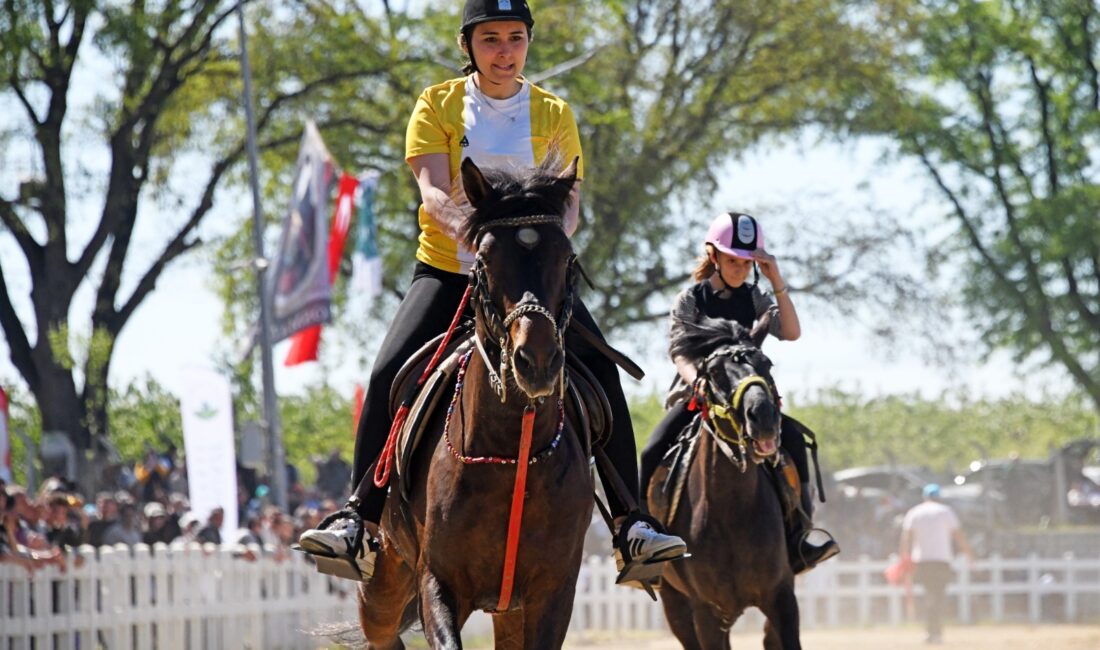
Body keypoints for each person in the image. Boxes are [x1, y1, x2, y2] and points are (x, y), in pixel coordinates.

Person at [299, 0, 685, 582]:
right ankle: (359, 518)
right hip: (451, 272)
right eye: (490, 40)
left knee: (603, 376)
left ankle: (632, 525)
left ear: (528, 42)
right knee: (386, 374)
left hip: (534, 282)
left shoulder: (554, 112)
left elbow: (570, 203)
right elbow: (432, 190)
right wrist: (479, 240)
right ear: (467, 47)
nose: (504, 52)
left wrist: (545, 246)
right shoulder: (437, 104)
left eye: (515, 38)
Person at [639, 212, 838, 573]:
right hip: (699, 399)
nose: (740, 269)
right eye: (733, 260)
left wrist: (776, 280)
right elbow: (680, 352)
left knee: (794, 440)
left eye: (748, 263)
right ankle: (643, 545)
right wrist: (697, 380)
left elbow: (791, 333)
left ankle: (800, 537)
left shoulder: (756, 297)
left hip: (749, 401)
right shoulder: (691, 299)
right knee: (651, 451)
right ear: (713, 255)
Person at [900, 483, 975, 645]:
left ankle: (930, 631)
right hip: (941, 560)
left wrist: (904, 558)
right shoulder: (945, 511)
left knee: (929, 595)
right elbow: (959, 535)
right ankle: (935, 632)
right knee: (938, 596)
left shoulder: (915, 512)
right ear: (939, 496)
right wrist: (969, 554)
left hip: (921, 560)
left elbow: (906, 538)